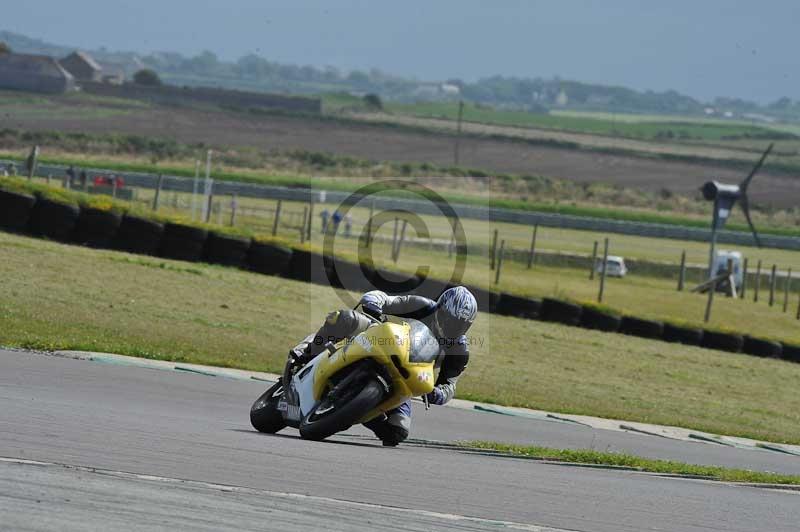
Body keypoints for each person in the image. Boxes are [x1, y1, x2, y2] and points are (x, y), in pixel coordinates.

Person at [290, 286, 478, 446]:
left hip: (404, 377)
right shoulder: (421, 306)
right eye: (450, 320)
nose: (454, 327)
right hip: (379, 339)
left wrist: (438, 394)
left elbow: (450, 385)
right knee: (344, 318)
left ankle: (361, 411)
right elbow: (383, 298)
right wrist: (373, 305)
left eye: (461, 325)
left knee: (397, 431)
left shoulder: (459, 351)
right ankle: (306, 355)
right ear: (440, 309)